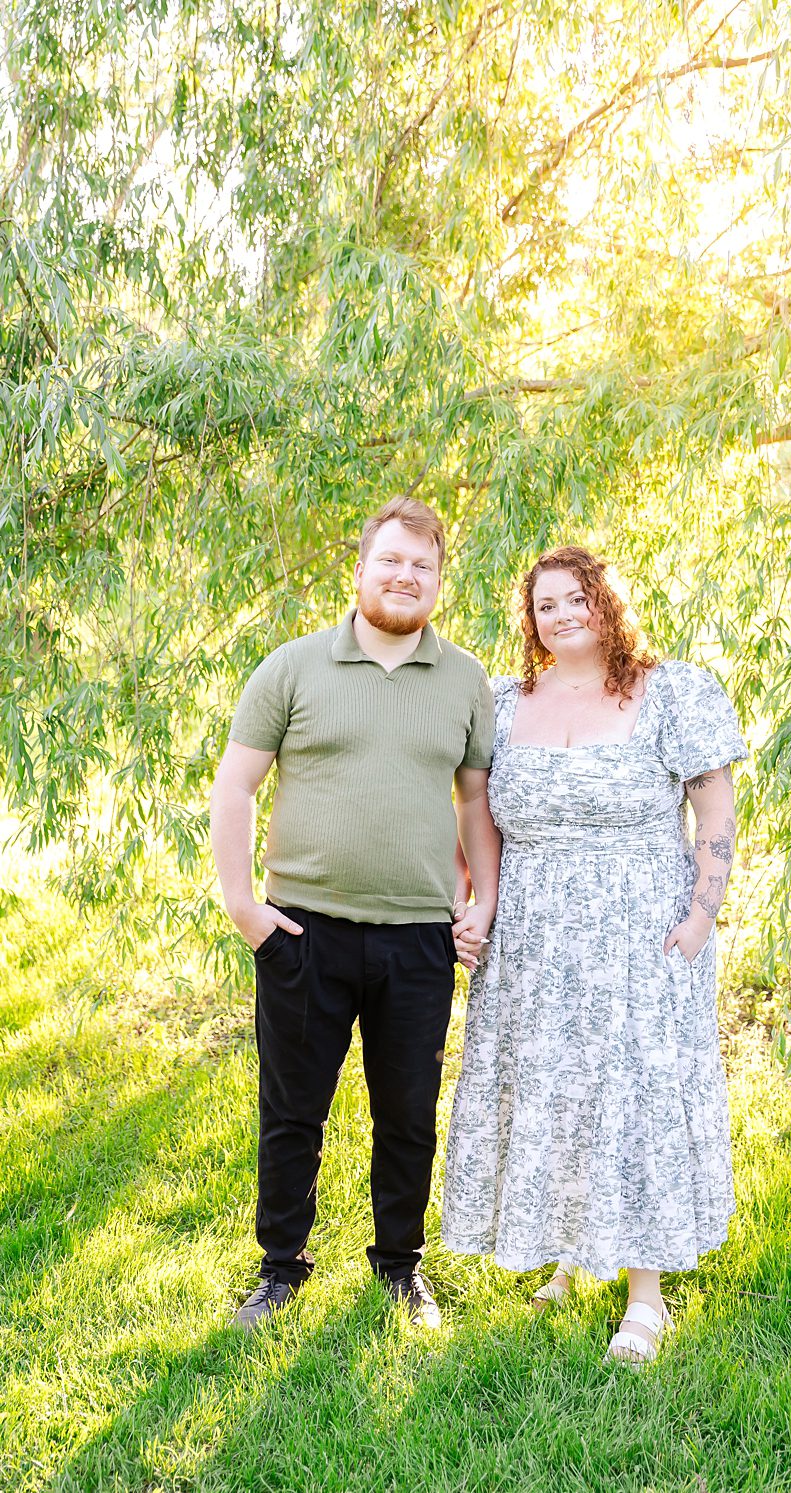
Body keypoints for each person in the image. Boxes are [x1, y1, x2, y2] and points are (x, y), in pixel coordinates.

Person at [440, 544, 747, 1366]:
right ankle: (568, 1251)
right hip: (536, 936)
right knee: (552, 1085)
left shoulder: (669, 690)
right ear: (530, 620)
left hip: (639, 930)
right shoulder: (504, 704)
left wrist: (701, 915)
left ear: (607, 603)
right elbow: (478, 823)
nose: (563, 613)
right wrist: (473, 904)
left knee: (632, 1092)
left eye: (577, 598)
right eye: (546, 604)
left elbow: (714, 811)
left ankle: (645, 1295)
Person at [210, 497, 500, 1332]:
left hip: (418, 938)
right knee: (294, 1108)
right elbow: (235, 785)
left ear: (439, 581)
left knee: (406, 1111)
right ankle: (279, 1269)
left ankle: (400, 1268)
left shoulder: (465, 680)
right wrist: (244, 906)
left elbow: (475, 802)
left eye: (423, 566)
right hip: (304, 931)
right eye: (392, 561)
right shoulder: (292, 668)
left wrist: (483, 899)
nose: (405, 577)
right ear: (362, 568)